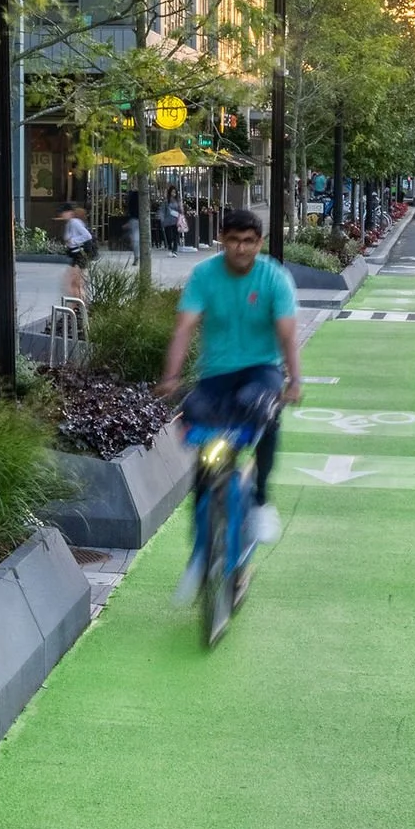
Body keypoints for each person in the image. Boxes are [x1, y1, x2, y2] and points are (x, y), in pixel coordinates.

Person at [158, 203, 303, 596]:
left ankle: (261, 500)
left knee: (265, 408)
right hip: (215, 377)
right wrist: (170, 378)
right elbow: (184, 328)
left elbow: (287, 334)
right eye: (235, 240)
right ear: (222, 240)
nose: (242, 248)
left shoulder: (273, 277)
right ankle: (200, 554)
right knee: (202, 453)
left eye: (250, 241)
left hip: (261, 370)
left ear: (259, 243)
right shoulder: (204, 275)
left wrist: (294, 381)